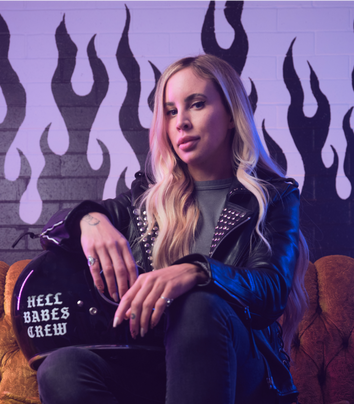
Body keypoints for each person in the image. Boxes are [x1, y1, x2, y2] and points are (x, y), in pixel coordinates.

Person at [36, 54, 309, 404]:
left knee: (198, 305)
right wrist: (90, 221)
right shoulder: (145, 199)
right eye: (170, 111)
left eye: (196, 104)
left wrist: (197, 271)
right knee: (61, 368)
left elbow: (271, 288)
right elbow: (53, 233)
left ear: (229, 115)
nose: (181, 122)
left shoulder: (273, 196)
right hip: (153, 368)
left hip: (242, 372)